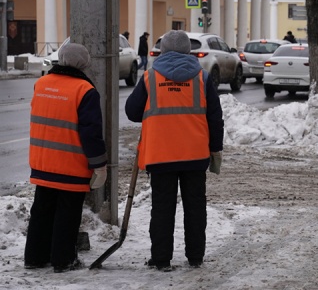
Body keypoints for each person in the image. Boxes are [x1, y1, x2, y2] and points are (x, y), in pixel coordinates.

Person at [125, 30, 224, 272]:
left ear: (164, 51)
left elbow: (132, 112)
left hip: (160, 155)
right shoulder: (201, 77)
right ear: (188, 52)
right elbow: (215, 118)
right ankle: (195, 257)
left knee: (162, 208)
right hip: (194, 155)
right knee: (195, 207)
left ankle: (161, 259)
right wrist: (215, 150)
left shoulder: (150, 78)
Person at [24, 43, 107, 273]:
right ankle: (63, 260)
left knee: (41, 211)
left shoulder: (41, 84)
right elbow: (91, 133)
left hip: (43, 162)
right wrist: (99, 165)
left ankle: (34, 257)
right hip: (70, 165)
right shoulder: (84, 90)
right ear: (84, 64)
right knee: (67, 214)